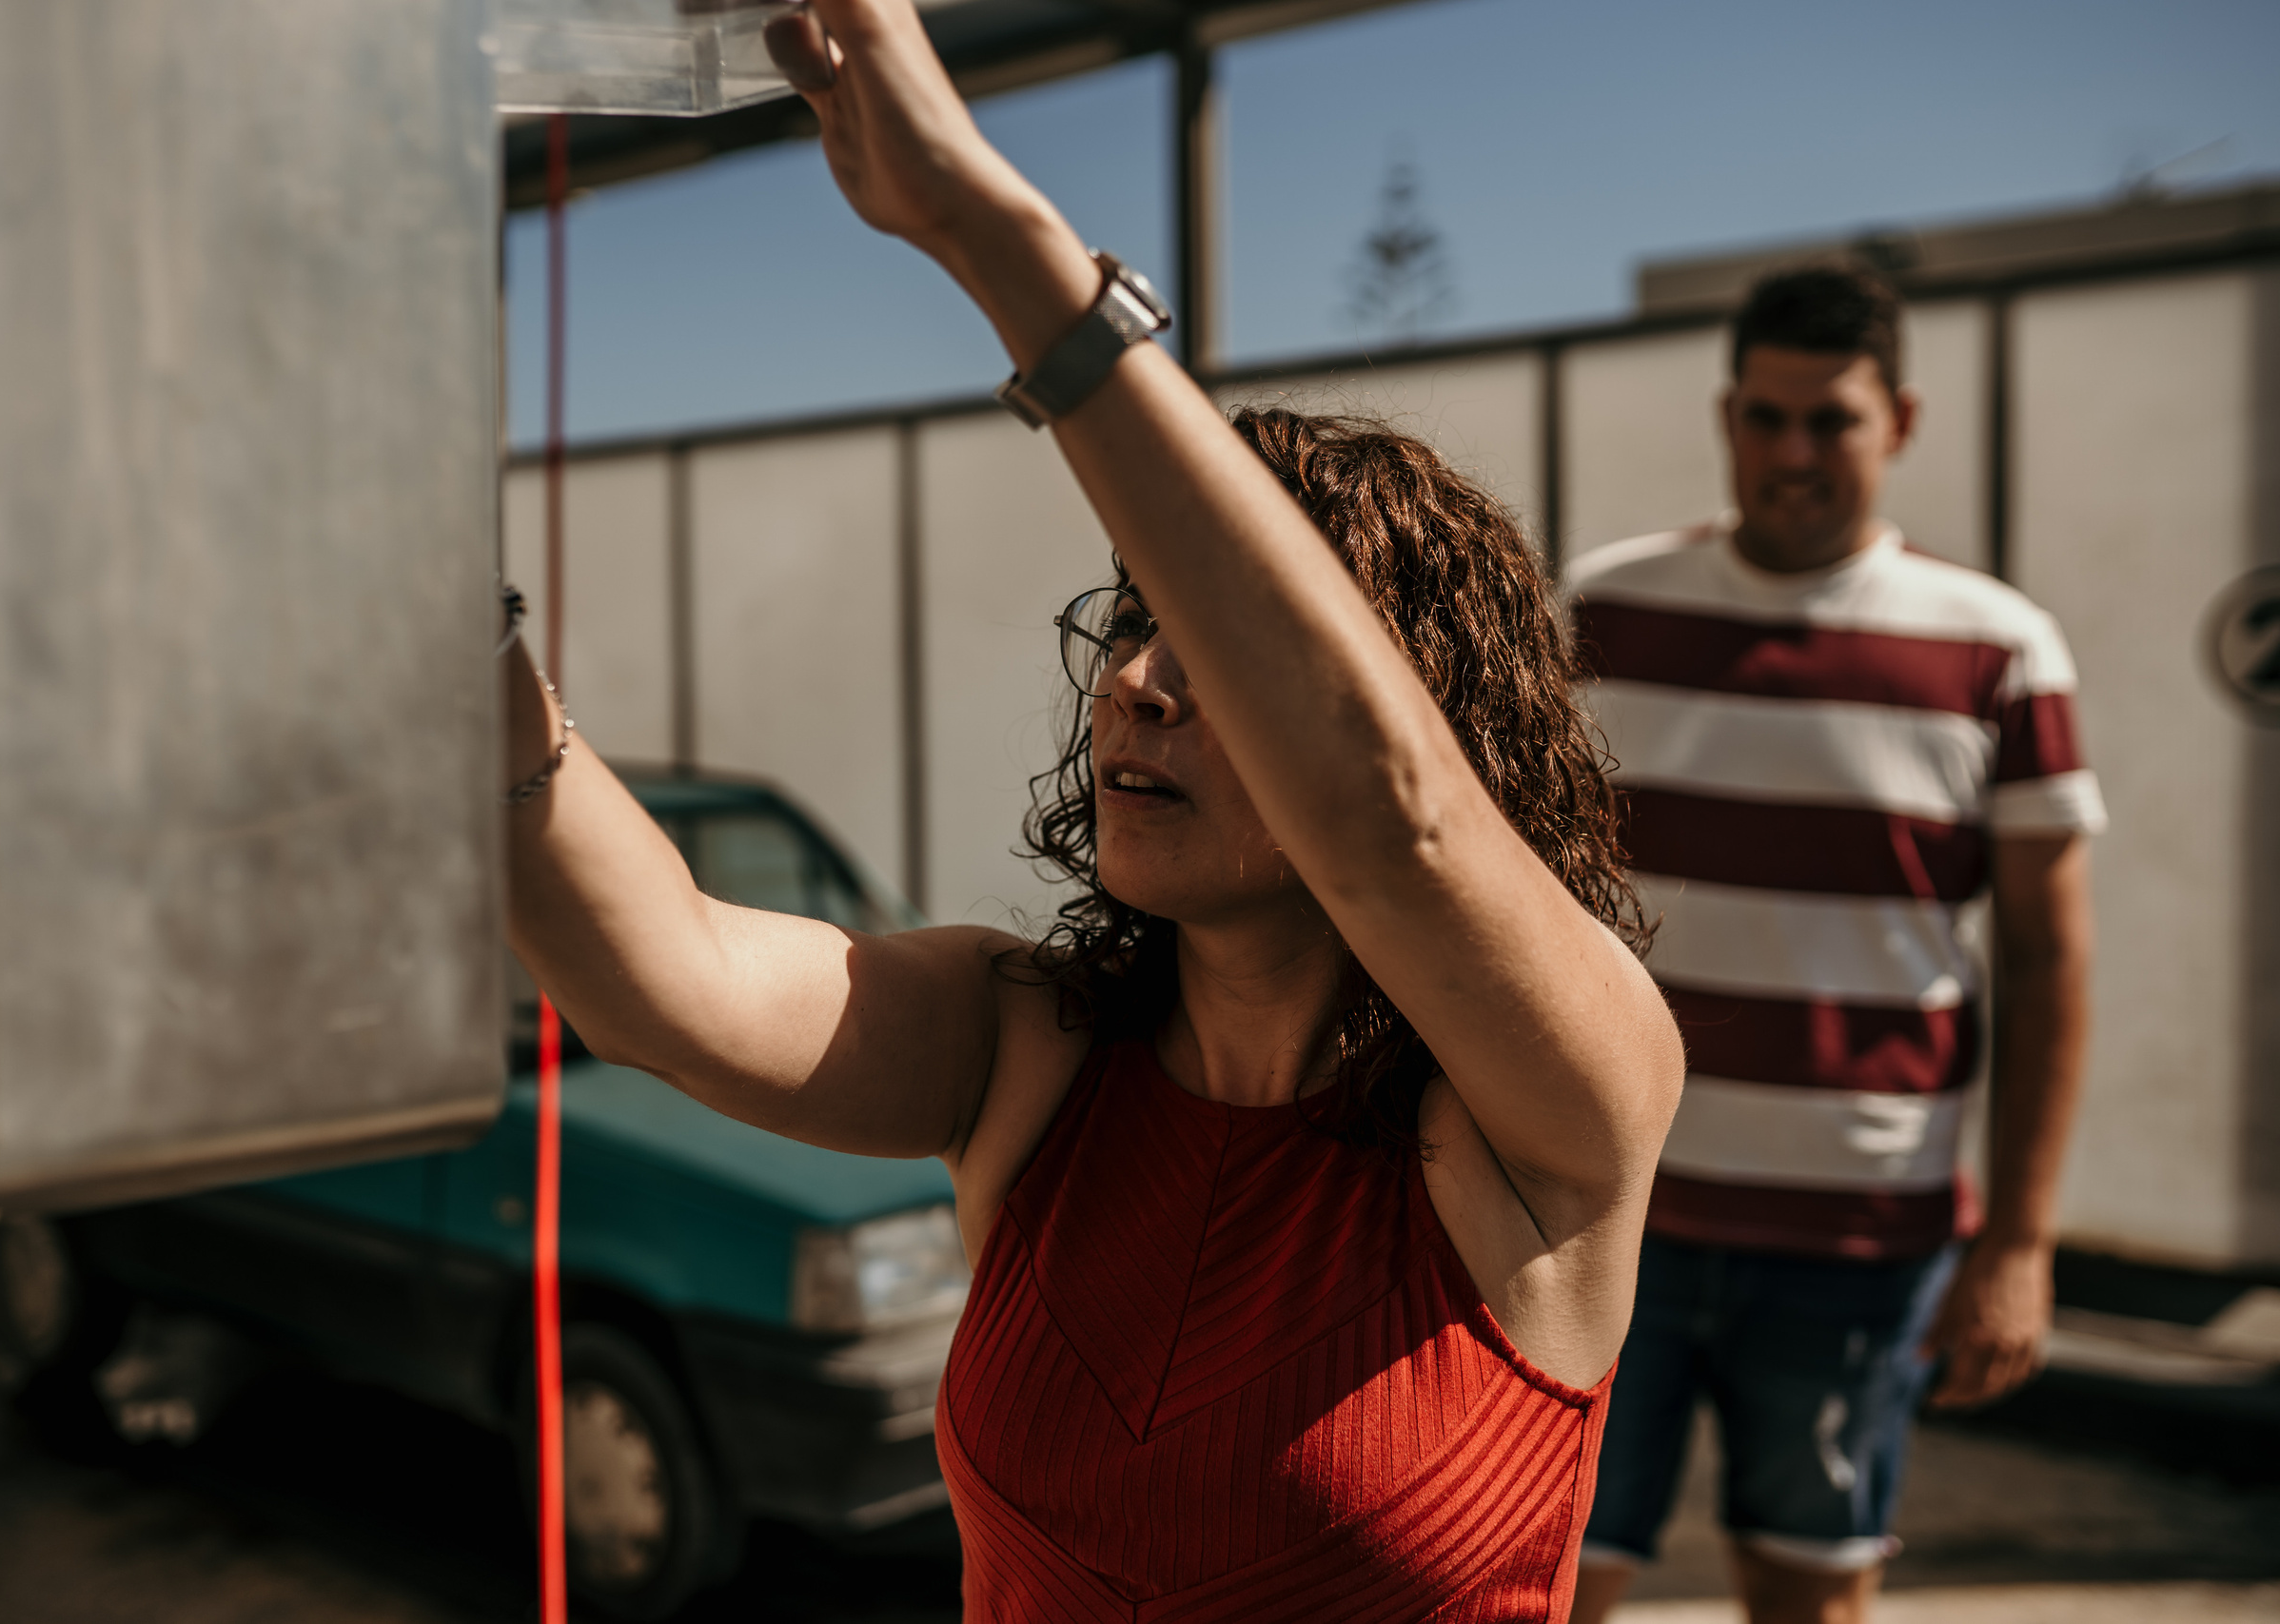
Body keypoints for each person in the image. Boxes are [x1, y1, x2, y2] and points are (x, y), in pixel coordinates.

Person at [502, 2, 1683, 1616]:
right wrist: (460, 617)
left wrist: (991, 230)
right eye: (1132, 622)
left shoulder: (1551, 1111)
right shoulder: (1029, 1044)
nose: (1135, 678)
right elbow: (661, 979)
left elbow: (1389, 822)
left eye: (1219, 654)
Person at [1560, 264, 2103, 1624]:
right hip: (1601, 1212)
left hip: (1860, 1237)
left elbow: (2047, 961)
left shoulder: (1999, 650)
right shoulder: (1601, 615)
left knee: (1810, 1597)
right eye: (1767, 417)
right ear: (1726, 414)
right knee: (1541, 1583)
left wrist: (2022, 1244)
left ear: (1899, 421)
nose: (1795, 453)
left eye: (1833, 421)